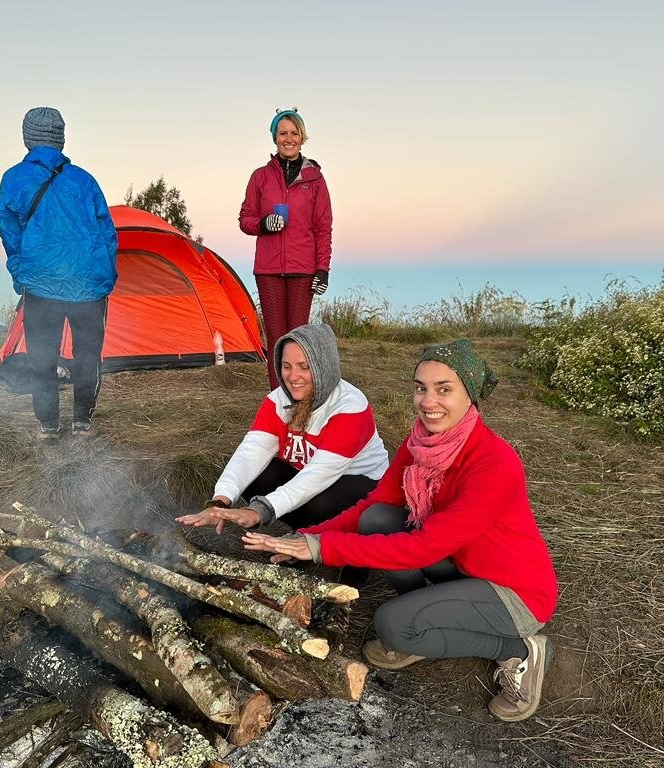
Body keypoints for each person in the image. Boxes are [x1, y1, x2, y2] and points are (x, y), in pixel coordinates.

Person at [243, 339, 559, 723]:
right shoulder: (420, 444)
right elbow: (374, 504)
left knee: (392, 626)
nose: (428, 401)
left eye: (444, 389)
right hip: (464, 564)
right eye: (420, 388)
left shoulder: (493, 463)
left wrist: (322, 548)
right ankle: (426, 616)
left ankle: (519, 651)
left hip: (514, 592)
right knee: (378, 519)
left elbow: (422, 548)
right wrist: (308, 536)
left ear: (470, 396)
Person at [176, 323, 388, 533]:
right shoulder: (277, 400)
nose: (293, 377)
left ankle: (332, 538)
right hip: (308, 473)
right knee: (256, 476)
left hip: (360, 483)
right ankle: (303, 532)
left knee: (318, 505)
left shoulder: (350, 407)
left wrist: (261, 510)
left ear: (324, 367)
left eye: (304, 367)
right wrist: (220, 502)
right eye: (286, 366)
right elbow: (253, 450)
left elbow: (320, 473)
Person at [0, 107, 118, 439]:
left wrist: (20, 273)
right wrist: (106, 276)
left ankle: (48, 425)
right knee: (88, 354)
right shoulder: (84, 180)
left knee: (42, 356)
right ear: (60, 139)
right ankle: (82, 422)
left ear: (28, 138)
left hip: (41, 284)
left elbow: (9, 232)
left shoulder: (14, 178)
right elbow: (107, 232)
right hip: (88, 285)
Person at [238, 109, 332, 388]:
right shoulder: (260, 177)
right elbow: (245, 219)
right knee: (277, 340)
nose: (288, 139)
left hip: (303, 270)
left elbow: (323, 228)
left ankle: (298, 398)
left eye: (294, 133)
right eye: (283, 133)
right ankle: (278, 401)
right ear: (274, 138)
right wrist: (264, 223)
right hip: (268, 270)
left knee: (297, 340)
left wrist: (322, 269)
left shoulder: (315, 180)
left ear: (302, 137)